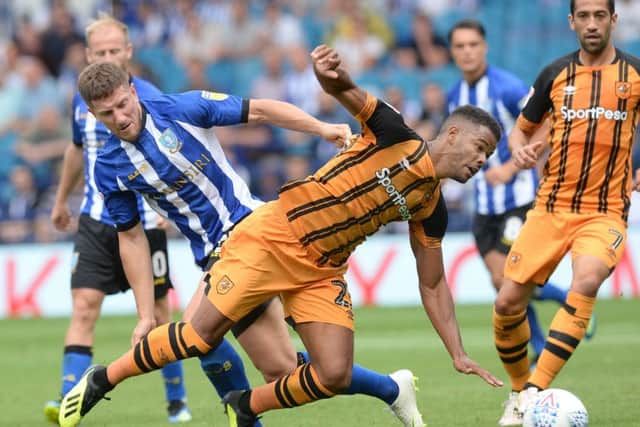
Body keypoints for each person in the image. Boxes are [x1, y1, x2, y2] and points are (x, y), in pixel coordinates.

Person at [58, 44, 504, 427]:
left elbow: (432, 283)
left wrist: (458, 352)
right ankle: (106, 378)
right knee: (248, 357)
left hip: (289, 250)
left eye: (122, 105)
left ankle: (247, 406)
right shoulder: (396, 134)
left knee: (315, 371)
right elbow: (131, 237)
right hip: (268, 238)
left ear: (133, 90)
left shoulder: (430, 206)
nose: (118, 117)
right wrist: (331, 76)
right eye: (106, 113)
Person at [494, 0, 640, 425]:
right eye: (584, 16)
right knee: (507, 304)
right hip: (550, 209)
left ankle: (536, 390)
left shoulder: (635, 74)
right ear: (571, 21)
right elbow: (523, 126)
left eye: (600, 16)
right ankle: (520, 393)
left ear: (613, 20)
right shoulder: (554, 74)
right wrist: (521, 147)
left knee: (588, 278)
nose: (592, 24)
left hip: (605, 211)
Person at [44, 14, 193, 424]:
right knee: (84, 308)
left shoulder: (147, 97)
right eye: (100, 51)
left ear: (127, 51)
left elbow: (174, 151)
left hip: (144, 222)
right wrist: (61, 200)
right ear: (88, 54)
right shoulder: (83, 99)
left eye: (115, 50)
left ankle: (177, 401)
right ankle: (67, 398)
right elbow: (77, 149)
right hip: (96, 220)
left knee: (160, 315)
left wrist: (171, 208)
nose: (107, 56)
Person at [446, 19, 583, 368]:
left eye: (472, 45)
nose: (467, 52)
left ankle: (565, 306)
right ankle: (543, 335)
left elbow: (550, 122)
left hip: (517, 199)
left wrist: (511, 167)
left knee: (511, 280)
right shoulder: (454, 96)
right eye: (460, 46)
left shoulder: (507, 88)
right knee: (501, 285)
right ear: (452, 51)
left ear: (484, 47)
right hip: (484, 205)